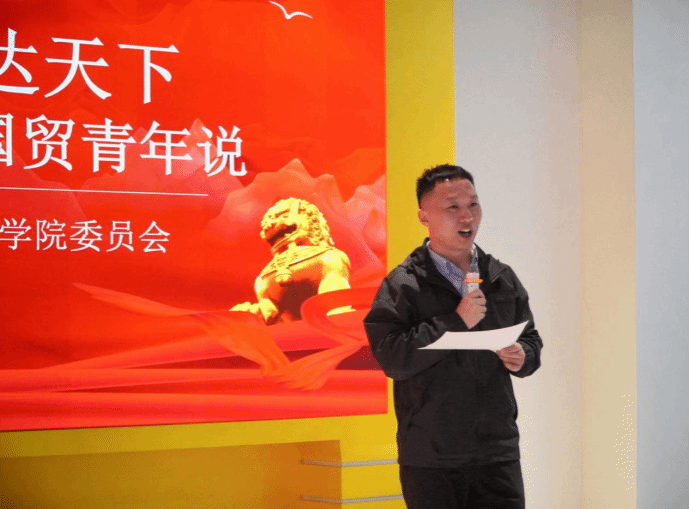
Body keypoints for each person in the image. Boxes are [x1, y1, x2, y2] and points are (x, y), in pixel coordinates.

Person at [363, 164, 543, 509]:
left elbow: (530, 338)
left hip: (496, 452)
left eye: (473, 204)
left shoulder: (501, 277)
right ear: (424, 216)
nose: (466, 216)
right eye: (453, 207)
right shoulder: (403, 284)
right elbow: (391, 357)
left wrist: (523, 355)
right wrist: (454, 322)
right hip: (431, 458)